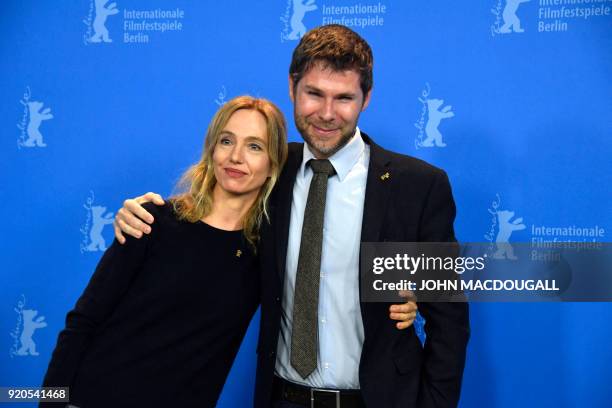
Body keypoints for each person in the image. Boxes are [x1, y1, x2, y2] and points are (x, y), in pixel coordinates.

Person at [115, 25, 468, 408]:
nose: (327, 113)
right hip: (282, 398)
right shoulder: (268, 170)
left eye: (344, 98)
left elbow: (448, 318)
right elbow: (206, 222)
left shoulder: (417, 186)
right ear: (292, 87)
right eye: (314, 94)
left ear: (366, 99)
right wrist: (144, 216)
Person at [41, 96, 288, 408]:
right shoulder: (151, 220)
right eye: (227, 141)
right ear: (212, 150)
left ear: (273, 165)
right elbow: (83, 321)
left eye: (255, 146)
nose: (236, 156)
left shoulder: (266, 252)